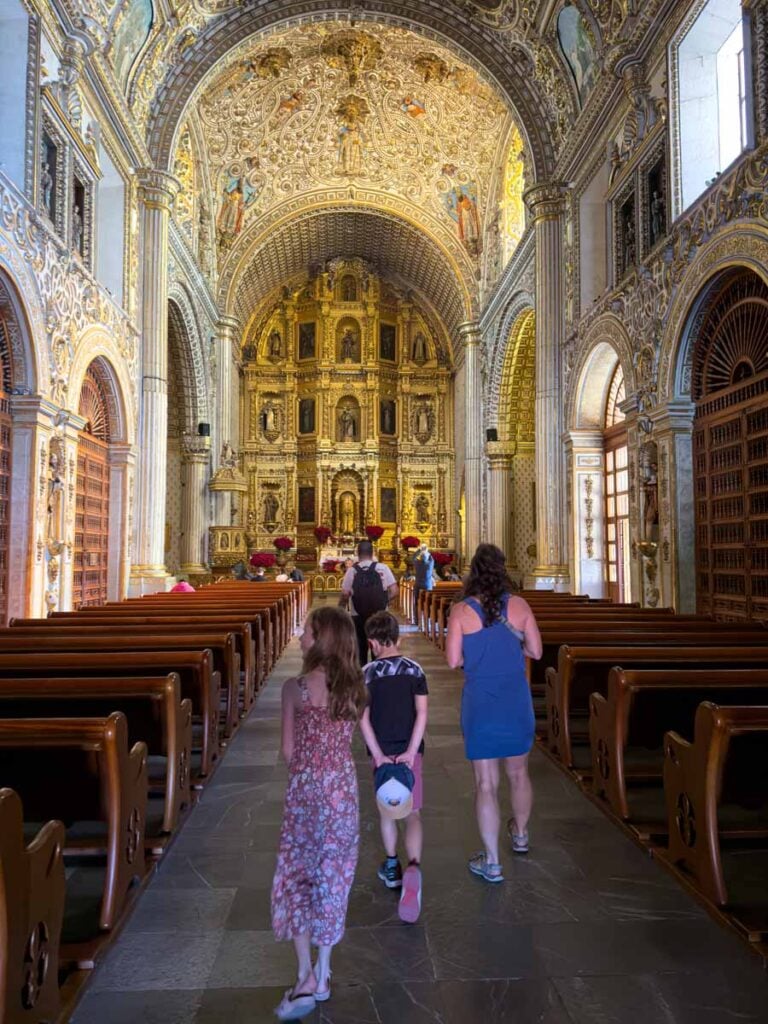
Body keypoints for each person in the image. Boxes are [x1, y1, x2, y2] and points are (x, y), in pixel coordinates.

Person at [271, 607, 367, 1020]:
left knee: (299, 874)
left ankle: (304, 973)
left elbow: (289, 751)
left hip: (306, 790)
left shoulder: (294, 689)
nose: (299, 637)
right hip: (342, 789)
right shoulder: (356, 690)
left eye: (306, 631)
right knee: (334, 874)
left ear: (321, 637)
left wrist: (305, 771)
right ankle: (325, 971)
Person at [445, 543, 542, 882]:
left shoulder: (460, 611)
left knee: (486, 784)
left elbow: (453, 660)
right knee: (519, 773)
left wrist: (478, 657)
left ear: (473, 570)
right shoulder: (520, 605)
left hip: (481, 701)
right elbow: (537, 651)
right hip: (515, 697)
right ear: (502, 569)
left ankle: (492, 861)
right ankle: (520, 835)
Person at [360, 611, 428, 923]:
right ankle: (413, 864)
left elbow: (361, 718)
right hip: (411, 752)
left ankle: (392, 864)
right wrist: (412, 751)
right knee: (413, 812)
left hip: (383, 753)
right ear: (398, 638)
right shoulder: (415, 670)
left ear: (372, 643)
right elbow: (422, 713)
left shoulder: (367, 673)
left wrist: (377, 755)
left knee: (388, 812)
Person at [340, 540, 398, 666]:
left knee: (361, 648)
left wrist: (341, 609)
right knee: (379, 647)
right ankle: (377, 674)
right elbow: (394, 591)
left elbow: (345, 594)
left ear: (357, 553)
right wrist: (384, 601)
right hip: (380, 615)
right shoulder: (383, 568)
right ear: (373, 553)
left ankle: (363, 676)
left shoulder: (352, 571)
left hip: (357, 615)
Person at [413, 542, 434, 625]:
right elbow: (431, 557)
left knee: (417, 602)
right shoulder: (430, 563)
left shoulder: (417, 563)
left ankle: (417, 620)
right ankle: (427, 620)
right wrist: (426, 551)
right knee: (428, 602)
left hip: (418, 584)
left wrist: (419, 550)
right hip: (427, 585)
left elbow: (414, 557)